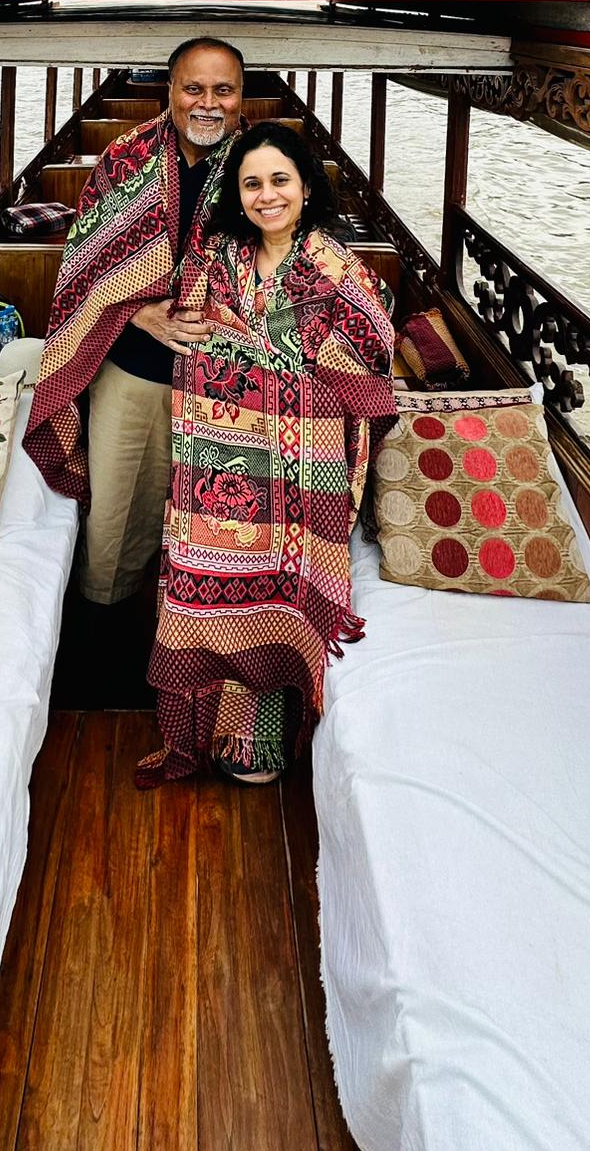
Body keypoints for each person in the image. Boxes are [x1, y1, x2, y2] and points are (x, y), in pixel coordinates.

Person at [135, 122, 396, 788]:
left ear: (306, 188)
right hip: (219, 457)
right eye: (253, 183)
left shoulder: (337, 265)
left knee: (281, 584)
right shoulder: (216, 256)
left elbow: (373, 347)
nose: (267, 194)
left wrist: (290, 358)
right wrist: (229, 341)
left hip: (301, 460)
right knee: (207, 574)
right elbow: (187, 322)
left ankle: (261, 738)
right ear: (239, 195)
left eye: (280, 180)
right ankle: (203, 728)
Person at [24, 38, 246, 606]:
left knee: (220, 521)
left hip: (232, 385)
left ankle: (197, 624)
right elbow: (84, 265)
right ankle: (108, 624)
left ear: (241, 97)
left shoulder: (259, 165)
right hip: (133, 370)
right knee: (117, 517)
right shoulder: (126, 158)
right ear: (169, 90)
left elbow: (286, 257)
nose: (208, 104)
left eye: (223, 90)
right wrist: (138, 311)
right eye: (194, 88)